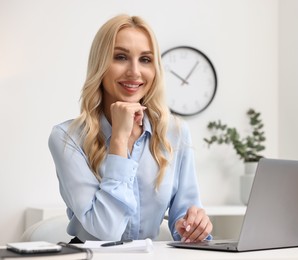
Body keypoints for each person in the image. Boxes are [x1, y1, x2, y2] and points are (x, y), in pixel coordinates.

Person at [48, 14, 212, 243]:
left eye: (145, 59)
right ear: (100, 65)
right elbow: (106, 231)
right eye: (121, 57)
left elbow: (184, 213)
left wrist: (192, 225)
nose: (134, 72)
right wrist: (119, 140)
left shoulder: (175, 132)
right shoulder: (67, 138)